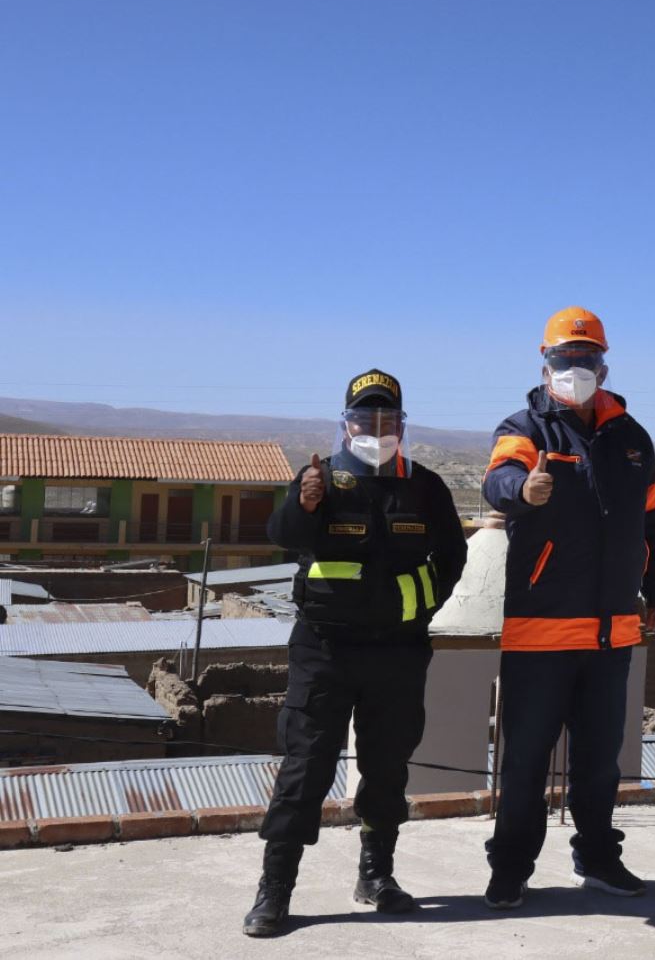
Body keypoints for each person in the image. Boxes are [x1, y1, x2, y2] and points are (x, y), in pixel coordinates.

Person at [245, 369, 468, 937]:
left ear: (401, 425)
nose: (376, 428)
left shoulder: (425, 486)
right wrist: (303, 502)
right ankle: (275, 890)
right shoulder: (321, 479)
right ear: (345, 425)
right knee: (305, 768)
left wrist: (419, 607)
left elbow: (452, 557)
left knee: (388, 766)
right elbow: (284, 534)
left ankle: (377, 875)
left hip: (399, 651)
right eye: (365, 419)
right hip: (325, 650)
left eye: (387, 419)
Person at [481, 307, 655, 910]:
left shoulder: (632, 438)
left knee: (599, 763)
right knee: (525, 764)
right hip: (540, 630)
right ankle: (511, 867)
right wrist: (523, 491)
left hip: (613, 631)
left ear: (603, 364)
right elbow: (497, 480)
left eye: (586, 360)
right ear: (545, 364)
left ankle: (598, 858)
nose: (576, 370)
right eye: (566, 360)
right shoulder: (526, 427)